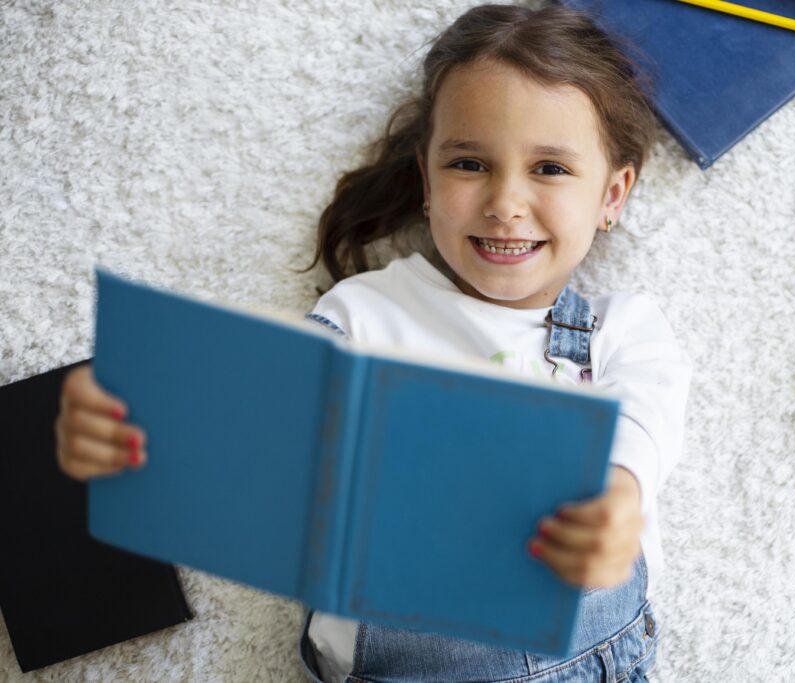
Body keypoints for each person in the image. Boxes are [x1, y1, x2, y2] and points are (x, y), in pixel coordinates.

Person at [54, 3, 691, 681]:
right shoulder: (365, 313)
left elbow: (643, 424)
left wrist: (616, 500)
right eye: (470, 163)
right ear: (426, 181)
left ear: (612, 195)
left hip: (589, 655)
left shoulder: (618, 330)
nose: (506, 201)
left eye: (551, 170)